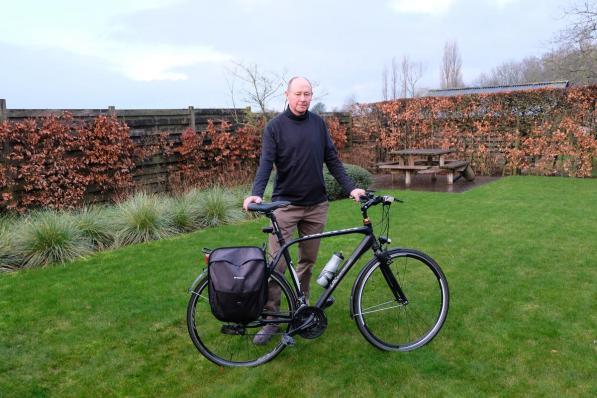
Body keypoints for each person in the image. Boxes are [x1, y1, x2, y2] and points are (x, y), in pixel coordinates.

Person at [243, 76, 366, 345]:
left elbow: (332, 160)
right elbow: (266, 163)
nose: (303, 99)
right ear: (287, 95)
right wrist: (256, 191)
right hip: (284, 207)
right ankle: (271, 319)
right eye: (298, 94)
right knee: (277, 266)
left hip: (316, 206)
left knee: (307, 263)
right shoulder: (275, 127)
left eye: (307, 94)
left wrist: (351, 188)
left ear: (311, 96)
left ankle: (302, 308)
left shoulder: (318, 125)